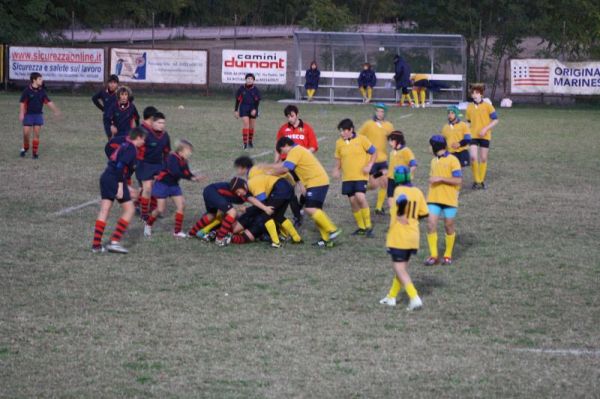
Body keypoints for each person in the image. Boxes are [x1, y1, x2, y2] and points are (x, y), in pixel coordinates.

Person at [262, 137, 341, 247]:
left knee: (310, 208)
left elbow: (285, 169)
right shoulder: (297, 150)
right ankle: (326, 240)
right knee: (316, 211)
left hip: (317, 181)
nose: (282, 154)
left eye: (281, 151)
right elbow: (283, 166)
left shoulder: (295, 151)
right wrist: (268, 167)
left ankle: (332, 229)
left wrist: (270, 173)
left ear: (285, 145)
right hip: (318, 181)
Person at [379, 165, 428, 311]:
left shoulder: (398, 190)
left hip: (399, 235)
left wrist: (401, 213)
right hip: (413, 235)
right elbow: (424, 213)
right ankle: (391, 297)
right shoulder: (418, 191)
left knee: (399, 269)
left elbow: (401, 200)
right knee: (401, 268)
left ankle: (414, 297)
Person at [91, 127, 146, 254]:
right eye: (143, 139)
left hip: (106, 177)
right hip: (115, 179)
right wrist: (121, 186)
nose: (144, 142)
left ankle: (96, 245)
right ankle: (114, 242)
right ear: (137, 138)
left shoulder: (125, 144)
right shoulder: (131, 148)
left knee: (104, 210)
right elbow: (120, 166)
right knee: (130, 209)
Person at [143, 140, 203, 238]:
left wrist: (194, 178)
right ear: (181, 150)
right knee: (160, 209)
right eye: (189, 151)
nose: (190, 153)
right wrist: (190, 178)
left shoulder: (184, 160)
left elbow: (187, 173)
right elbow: (175, 172)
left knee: (181, 206)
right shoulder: (172, 158)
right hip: (162, 185)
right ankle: (148, 224)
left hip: (173, 185)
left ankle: (177, 231)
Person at [275, 104, 319, 226]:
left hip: (301, 165)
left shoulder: (307, 128)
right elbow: (278, 147)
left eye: (292, 116)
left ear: (297, 114)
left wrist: (303, 154)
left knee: (305, 192)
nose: (290, 119)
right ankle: (297, 217)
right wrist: (277, 161)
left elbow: (314, 146)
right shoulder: (283, 129)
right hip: (287, 164)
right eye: (288, 117)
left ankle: (300, 206)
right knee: (289, 191)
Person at [332, 119, 377, 237]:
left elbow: (374, 152)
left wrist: (369, 165)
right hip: (347, 177)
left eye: (343, 131)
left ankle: (368, 226)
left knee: (360, 197)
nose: (341, 133)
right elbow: (338, 158)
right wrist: (336, 169)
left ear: (351, 130)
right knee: (352, 201)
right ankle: (361, 227)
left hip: (361, 176)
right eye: (340, 131)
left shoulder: (362, 139)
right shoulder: (339, 143)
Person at [424, 135, 463, 266]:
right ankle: (434, 255)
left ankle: (447, 254)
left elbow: (458, 180)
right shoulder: (433, 161)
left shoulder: (453, 160)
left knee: (448, 225)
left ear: (435, 146)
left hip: (449, 199)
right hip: (434, 198)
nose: (429, 148)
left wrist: (440, 178)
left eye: (430, 145)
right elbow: (432, 180)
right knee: (430, 224)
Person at [187, 178, 248, 246]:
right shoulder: (244, 191)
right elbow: (252, 200)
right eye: (237, 192)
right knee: (232, 212)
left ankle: (192, 233)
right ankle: (220, 239)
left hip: (208, 191)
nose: (239, 194)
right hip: (213, 192)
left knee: (212, 215)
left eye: (239, 192)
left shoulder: (246, 190)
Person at [358, 103, 394, 214]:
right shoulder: (368, 124)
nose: (380, 113)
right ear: (375, 112)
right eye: (378, 111)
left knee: (385, 182)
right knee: (373, 185)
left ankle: (378, 208)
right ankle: (361, 189)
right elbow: (359, 137)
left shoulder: (388, 126)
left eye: (382, 111)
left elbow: (393, 139)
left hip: (382, 160)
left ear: (385, 113)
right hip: (370, 160)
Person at [136, 112, 171, 220]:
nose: (162, 125)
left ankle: (154, 208)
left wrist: (167, 167)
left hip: (158, 165)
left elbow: (166, 152)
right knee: (147, 188)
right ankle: (144, 213)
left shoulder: (165, 136)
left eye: (163, 123)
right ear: (153, 123)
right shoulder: (145, 134)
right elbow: (136, 149)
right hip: (144, 164)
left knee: (159, 188)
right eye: (159, 122)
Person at [19, 72, 61, 159]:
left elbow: (48, 102)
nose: (41, 80)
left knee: (36, 134)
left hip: (38, 115)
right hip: (28, 115)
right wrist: (21, 113)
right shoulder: (27, 91)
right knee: (26, 134)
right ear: (34, 80)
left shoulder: (42, 91)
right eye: (40, 79)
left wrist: (55, 110)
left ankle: (34, 153)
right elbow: (22, 102)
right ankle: (26, 147)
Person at [466, 83, 499, 189]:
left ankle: (481, 179)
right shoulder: (469, 107)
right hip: (473, 135)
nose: (474, 95)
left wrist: (485, 129)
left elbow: (496, 120)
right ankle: (477, 180)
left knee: (483, 158)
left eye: (477, 93)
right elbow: (468, 122)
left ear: (481, 94)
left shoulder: (488, 106)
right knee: (473, 157)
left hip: (485, 136)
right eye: (473, 93)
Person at [386, 131, 417, 208]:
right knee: (390, 198)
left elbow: (413, 164)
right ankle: (394, 215)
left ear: (398, 141)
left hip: (401, 180)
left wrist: (408, 175)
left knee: (401, 200)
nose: (390, 143)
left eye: (391, 141)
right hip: (391, 179)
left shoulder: (406, 151)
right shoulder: (392, 152)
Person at [234, 73, 261, 149]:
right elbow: (237, 100)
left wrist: (255, 109)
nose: (249, 80)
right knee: (246, 124)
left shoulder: (256, 90)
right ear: (245, 80)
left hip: (253, 108)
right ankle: (245, 144)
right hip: (243, 107)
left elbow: (257, 101)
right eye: (248, 79)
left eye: (251, 79)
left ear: (253, 81)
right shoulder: (241, 89)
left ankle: (250, 141)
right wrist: (236, 110)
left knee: (252, 127)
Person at [92, 74, 119, 139]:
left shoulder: (120, 93)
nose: (112, 85)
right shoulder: (103, 92)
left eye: (114, 83)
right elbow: (94, 98)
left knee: (117, 137)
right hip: (107, 118)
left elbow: (128, 100)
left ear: (117, 84)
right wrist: (102, 108)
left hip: (117, 118)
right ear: (108, 83)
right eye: (111, 82)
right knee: (109, 136)